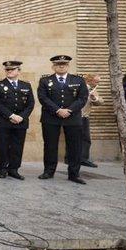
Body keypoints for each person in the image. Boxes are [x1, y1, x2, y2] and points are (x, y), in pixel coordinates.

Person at [37, 55, 89, 184]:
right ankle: (49, 171)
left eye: (64, 64)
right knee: (50, 145)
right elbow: (43, 98)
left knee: (75, 146)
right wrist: (58, 110)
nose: (61, 66)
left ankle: (74, 174)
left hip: (73, 117)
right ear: (53, 66)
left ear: (68, 66)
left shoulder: (78, 80)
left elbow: (82, 98)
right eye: (58, 64)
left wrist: (69, 110)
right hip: (51, 117)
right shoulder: (45, 81)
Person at [0, 60, 35, 180]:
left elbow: (31, 103)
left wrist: (21, 117)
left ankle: (14, 169)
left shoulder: (26, 85)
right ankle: (3, 169)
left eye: (12, 69)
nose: (9, 71)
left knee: (17, 146)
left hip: (21, 121)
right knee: (3, 145)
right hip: (3, 121)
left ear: (19, 71)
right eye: (7, 70)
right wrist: (11, 115)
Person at [76, 74, 103, 168]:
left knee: (86, 139)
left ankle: (83, 159)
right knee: (72, 138)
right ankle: (71, 158)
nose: (97, 84)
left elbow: (100, 102)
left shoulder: (93, 91)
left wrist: (94, 98)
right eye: (96, 81)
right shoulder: (78, 88)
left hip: (85, 117)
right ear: (89, 80)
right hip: (75, 116)